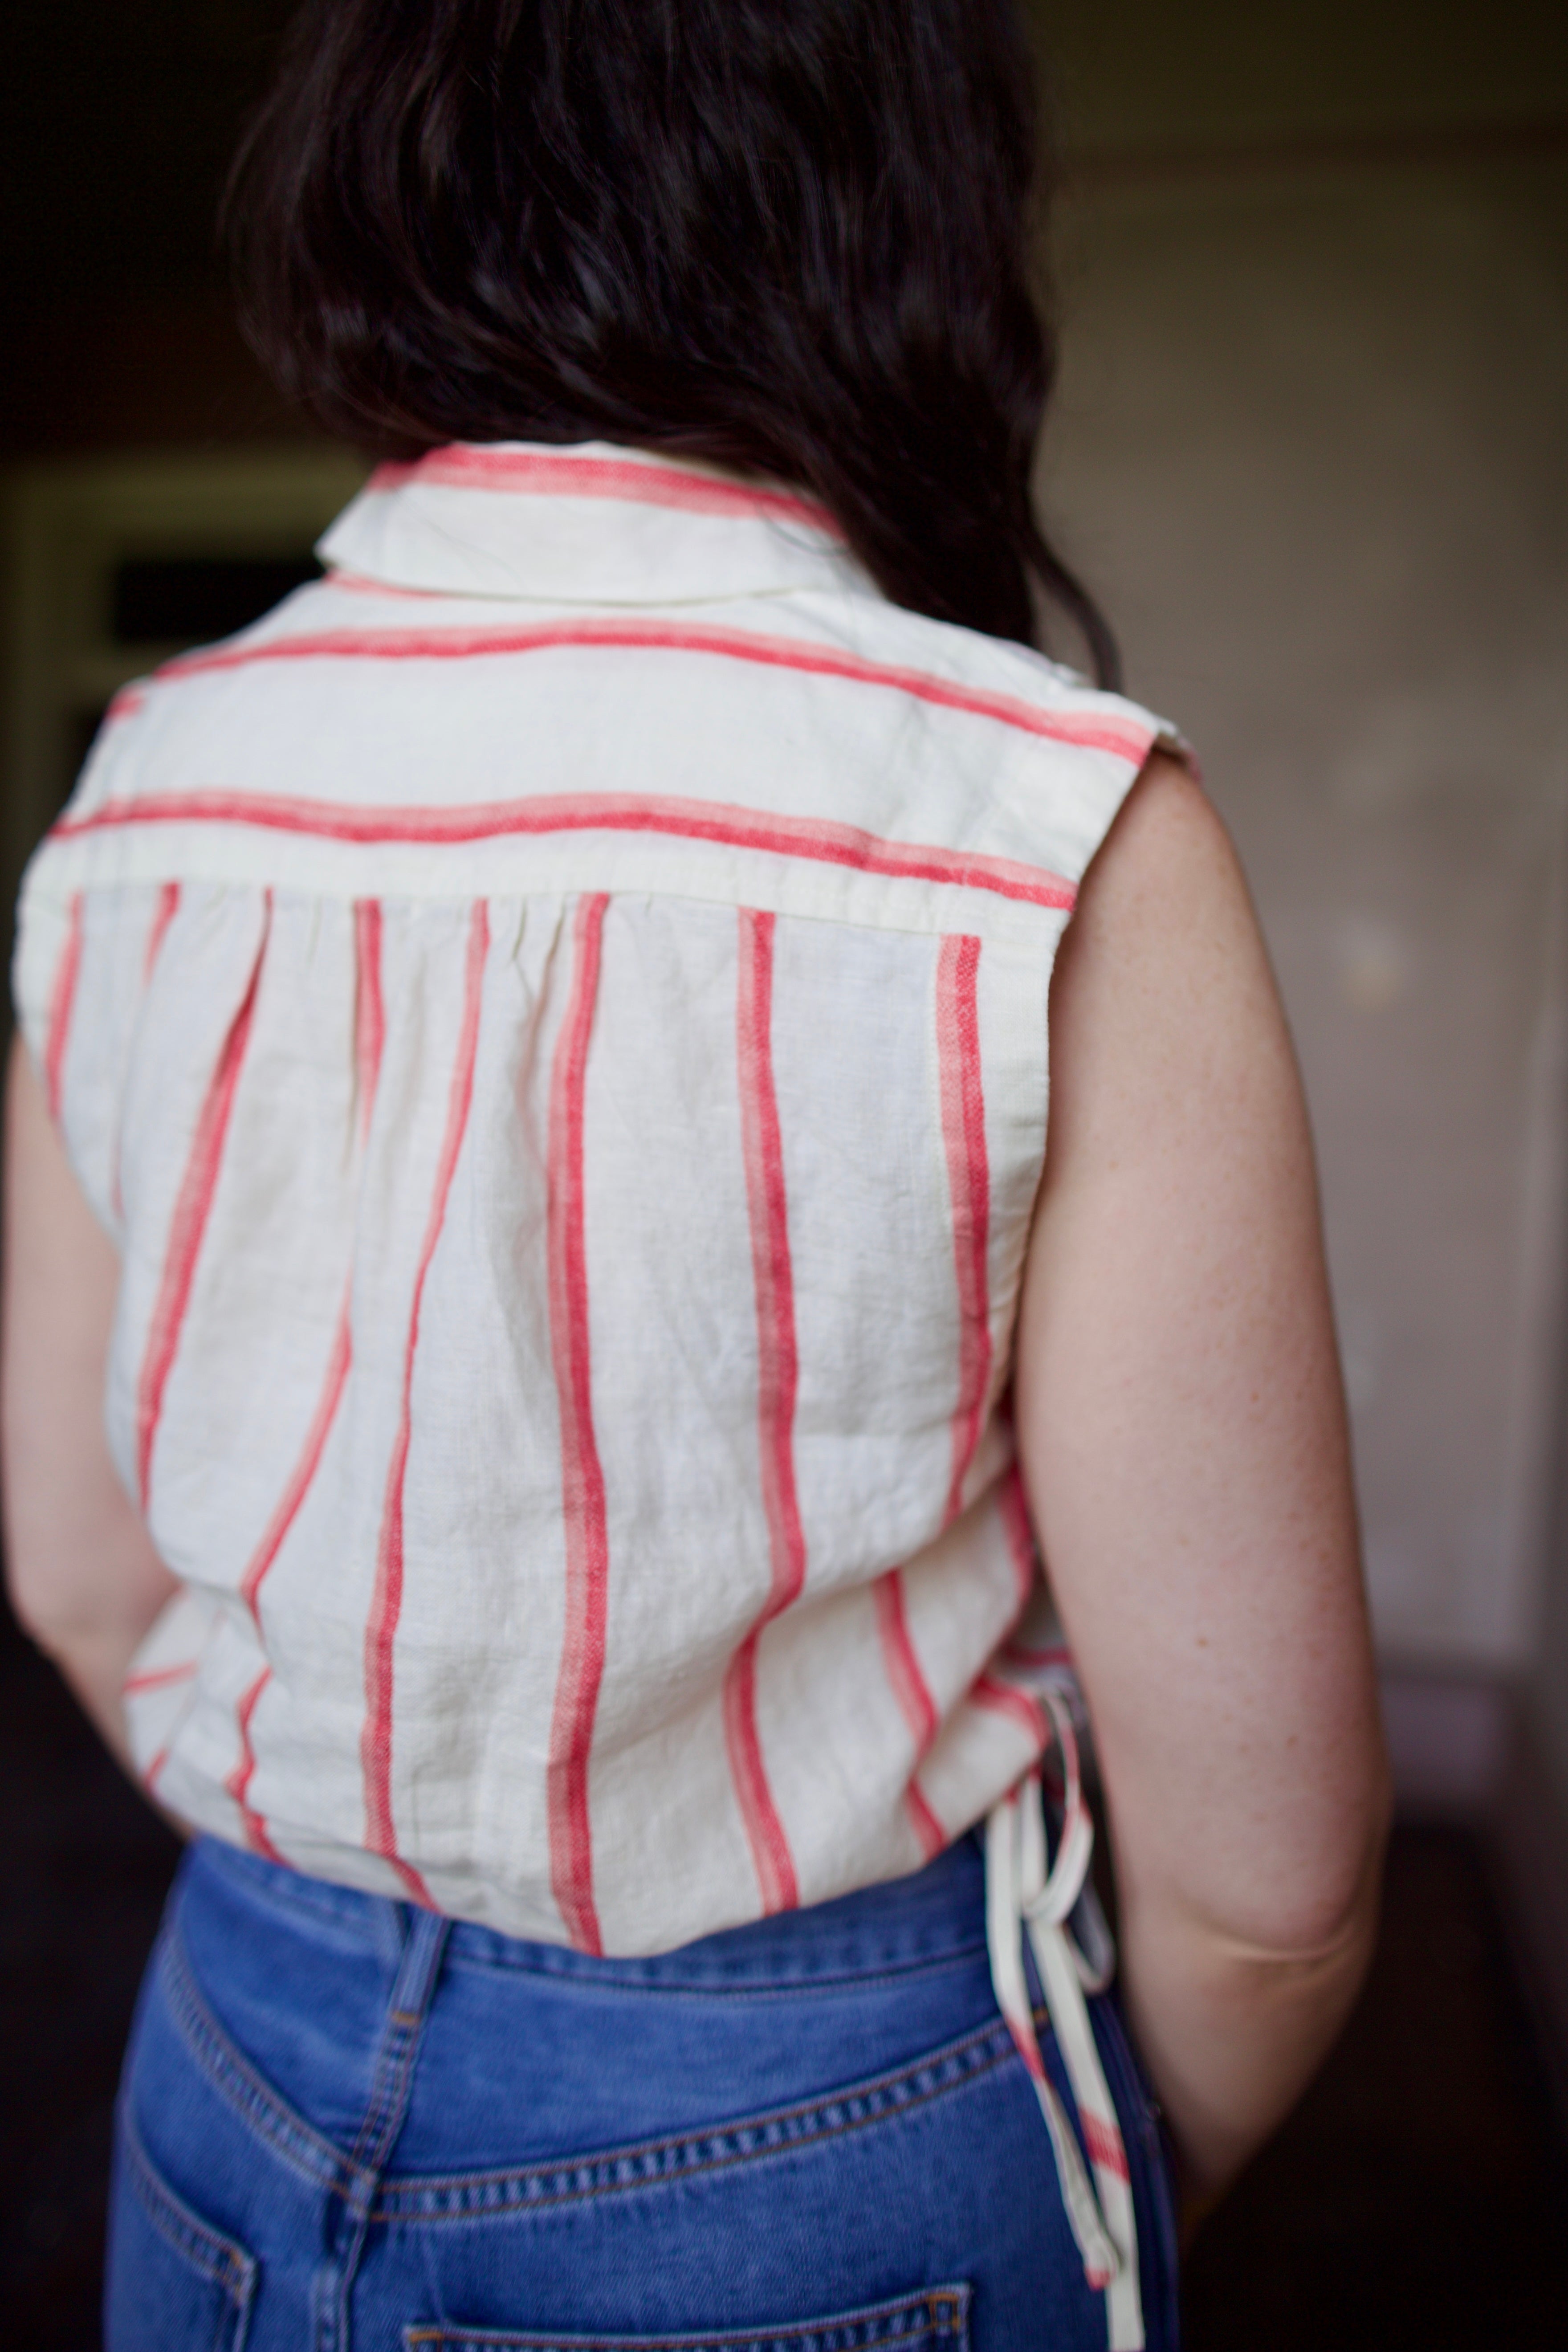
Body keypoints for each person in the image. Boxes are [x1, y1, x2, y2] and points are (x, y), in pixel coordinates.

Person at [1, 2, 1389, 2346]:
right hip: (832, 2094)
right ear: (896, 208)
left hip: (232, 2034)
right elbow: (1270, 1899)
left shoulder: (150, 780)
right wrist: (1088, 2197)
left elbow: (74, 1568)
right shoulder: (1049, 820)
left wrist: (355, 1887)